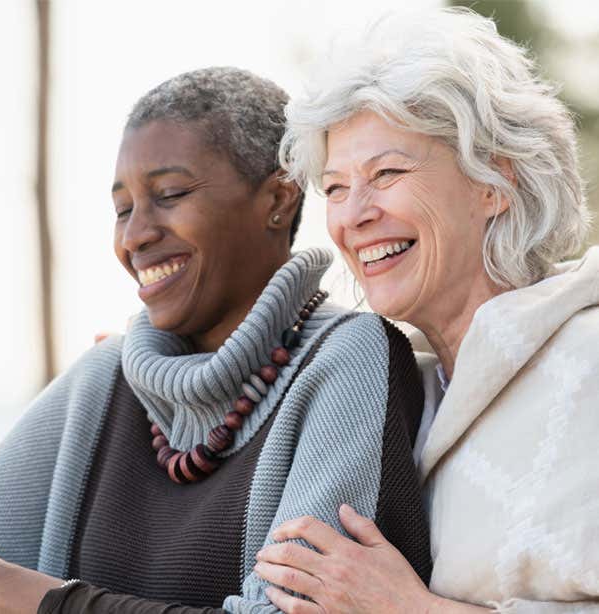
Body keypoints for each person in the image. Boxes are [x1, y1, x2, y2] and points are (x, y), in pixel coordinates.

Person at [0, 67, 430, 614]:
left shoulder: (348, 359)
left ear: (278, 201)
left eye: (169, 194)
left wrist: (6, 590)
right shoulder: (104, 377)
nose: (135, 236)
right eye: (122, 209)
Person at [252, 8, 599, 613]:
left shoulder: (587, 361)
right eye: (334, 187)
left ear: (494, 183)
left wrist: (407, 608)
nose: (354, 214)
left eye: (387, 173)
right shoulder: (399, 389)